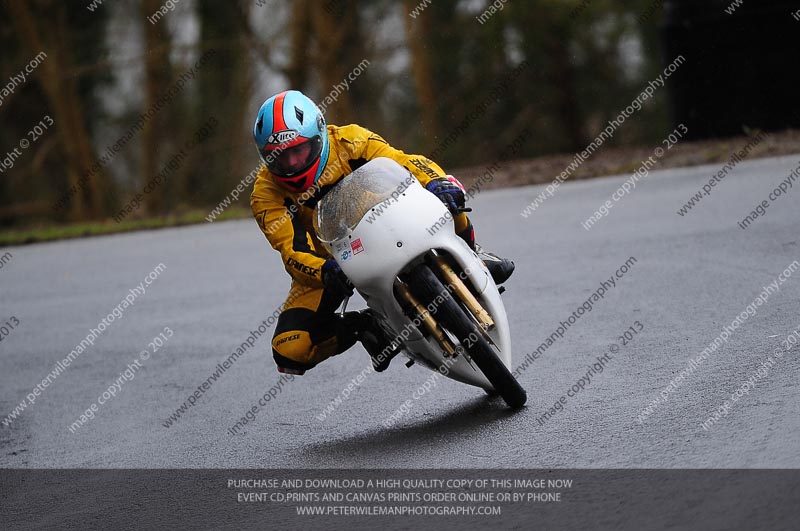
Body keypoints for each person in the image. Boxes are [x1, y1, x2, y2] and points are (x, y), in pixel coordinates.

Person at [250, 90, 514, 376]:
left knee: (447, 199)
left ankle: (474, 254)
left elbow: (403, 162)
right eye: (279, 157)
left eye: (298, 151)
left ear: (318, 136)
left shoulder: (351, 141)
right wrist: (325, 271)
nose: (291, 164)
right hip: (327, 264)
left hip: (382, 222)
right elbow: (292, 253)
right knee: (289, 350)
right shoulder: (265, 194)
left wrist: (437, 181)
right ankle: (366, 325)